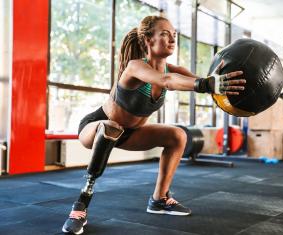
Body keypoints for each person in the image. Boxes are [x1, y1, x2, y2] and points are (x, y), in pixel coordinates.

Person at [62, 15, 245, 234]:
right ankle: (80, 206)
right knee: (111, 127)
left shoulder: (174, 70)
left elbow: (201, 82)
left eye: (174, 35)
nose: (172, 39)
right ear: (148, 40)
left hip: (130, 133)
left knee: (178, 136)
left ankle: (159, 199)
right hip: (95, 127)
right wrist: (205, 84)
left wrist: (225, 85)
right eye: (165, 34)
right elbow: (169, 82)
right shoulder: (136, 67)